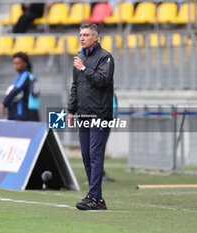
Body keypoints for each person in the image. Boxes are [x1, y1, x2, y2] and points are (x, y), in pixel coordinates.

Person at [67, 24, 115, 210]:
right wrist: (71, 110)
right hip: (84, 114)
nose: (82, 38)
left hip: (99, 114)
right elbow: (75, 86)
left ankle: (93, 197)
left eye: (86, 35)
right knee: (86, 156)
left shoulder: (105, 57)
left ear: (96, 37)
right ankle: (97, 199)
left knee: (95, 154)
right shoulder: (79, 58)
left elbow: (102, 80)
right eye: (80, 35)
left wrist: (84, 68)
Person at [0, 52, 31, 121]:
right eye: (14, 63)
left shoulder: (25, 75)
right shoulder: (19, 76)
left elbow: (16, 90)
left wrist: (4, 104)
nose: (15, 66)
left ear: (25, 64)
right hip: (13, 113)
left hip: (20, 114)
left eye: (18, 63)